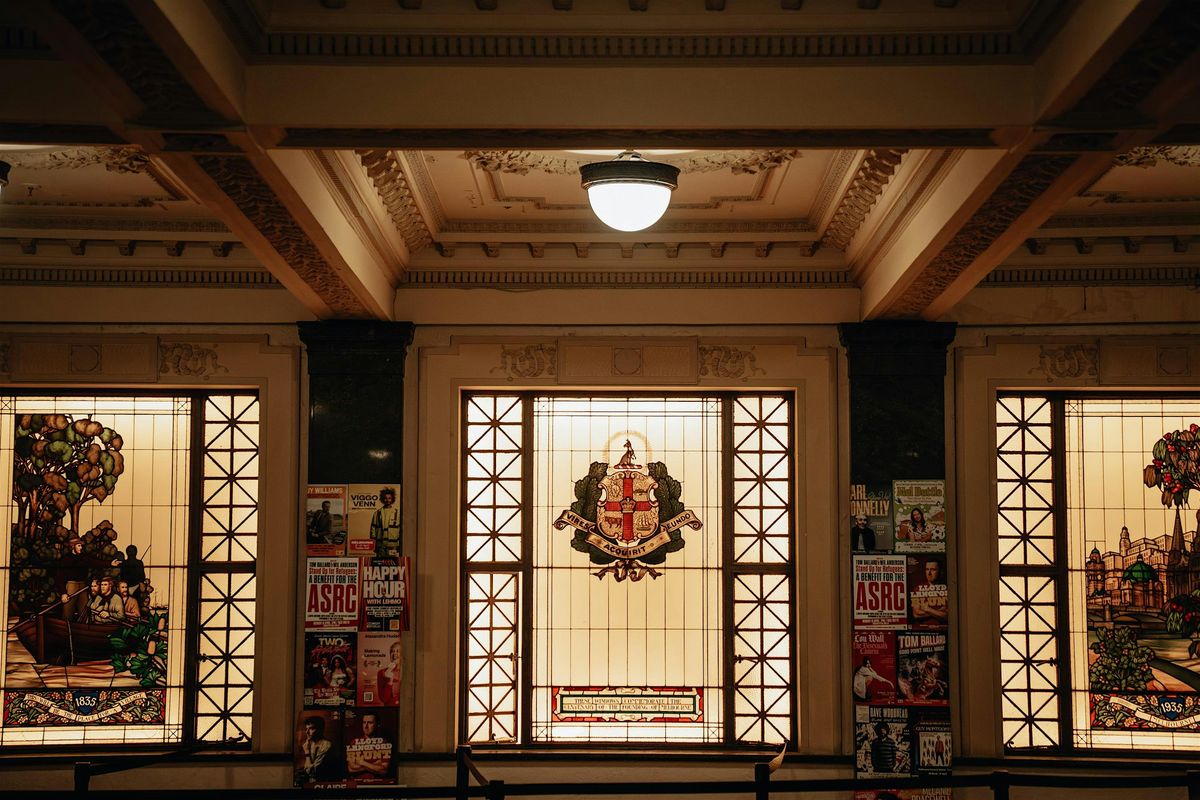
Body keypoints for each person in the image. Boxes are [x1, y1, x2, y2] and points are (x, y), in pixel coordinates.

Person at [346, 711, 392, 783]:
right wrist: (375, 765)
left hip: (377, 784)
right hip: (358, 784)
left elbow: (383, 770)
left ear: (377, 725)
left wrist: (362, 762)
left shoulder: (384, 743)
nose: (366, 726)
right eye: (364, 722)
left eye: (370, 723)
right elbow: (350, 769)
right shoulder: (354, 742)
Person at [910, 558, 949, 624]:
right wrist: (939, 612)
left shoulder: (947, 589)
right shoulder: (918, 589)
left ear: (940, 571)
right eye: (927, 569)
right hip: (923, 629)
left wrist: (927, 609)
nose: (929, 573)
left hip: (942, 629)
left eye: (933, 570)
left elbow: (947, 616)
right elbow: (916, 615)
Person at [297, 716, 333, 784]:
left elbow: (312, 772)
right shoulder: (310, 743)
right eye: (306, 729)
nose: (307, 732)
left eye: (311, 729)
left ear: (320, 729)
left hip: (321, 784)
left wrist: (307, 752)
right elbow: (306, 768)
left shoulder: (326, 745)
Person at [369, 488, 401, 558]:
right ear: (382, 499)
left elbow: (400, 530)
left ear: (392, 499)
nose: (387, 500)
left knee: (393, 563)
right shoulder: (377, 513)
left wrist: (400, 545)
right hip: (380, 545)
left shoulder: (398, 513)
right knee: (380, 563)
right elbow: (373, 529)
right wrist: (374, 545)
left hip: (393, 545)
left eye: (389, 498)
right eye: (385, 498)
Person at [377, 641, 403, 706]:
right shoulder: (382, 672)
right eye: (392, 651)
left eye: (398, 651)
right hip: (389, 709)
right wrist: (389, 681)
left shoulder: (408, 672)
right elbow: (383, 699)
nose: (394, 653)